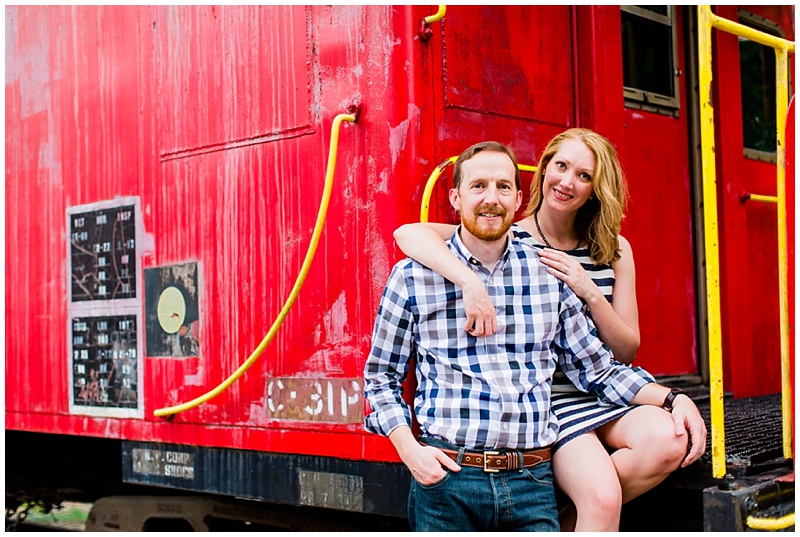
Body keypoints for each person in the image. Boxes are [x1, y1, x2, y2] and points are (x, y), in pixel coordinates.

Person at [365, 141, 706, 532]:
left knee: (613, 487)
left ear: (517, 198)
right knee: (601, 495)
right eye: (478, 186)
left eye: (503, 187)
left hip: (529, 480)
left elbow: (600, 368)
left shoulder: (548, 275)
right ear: (455, 198)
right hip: (449, 478)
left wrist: (673, 398)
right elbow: (381, 377)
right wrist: (410, 452)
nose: (491, 199)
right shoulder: (414, 276)